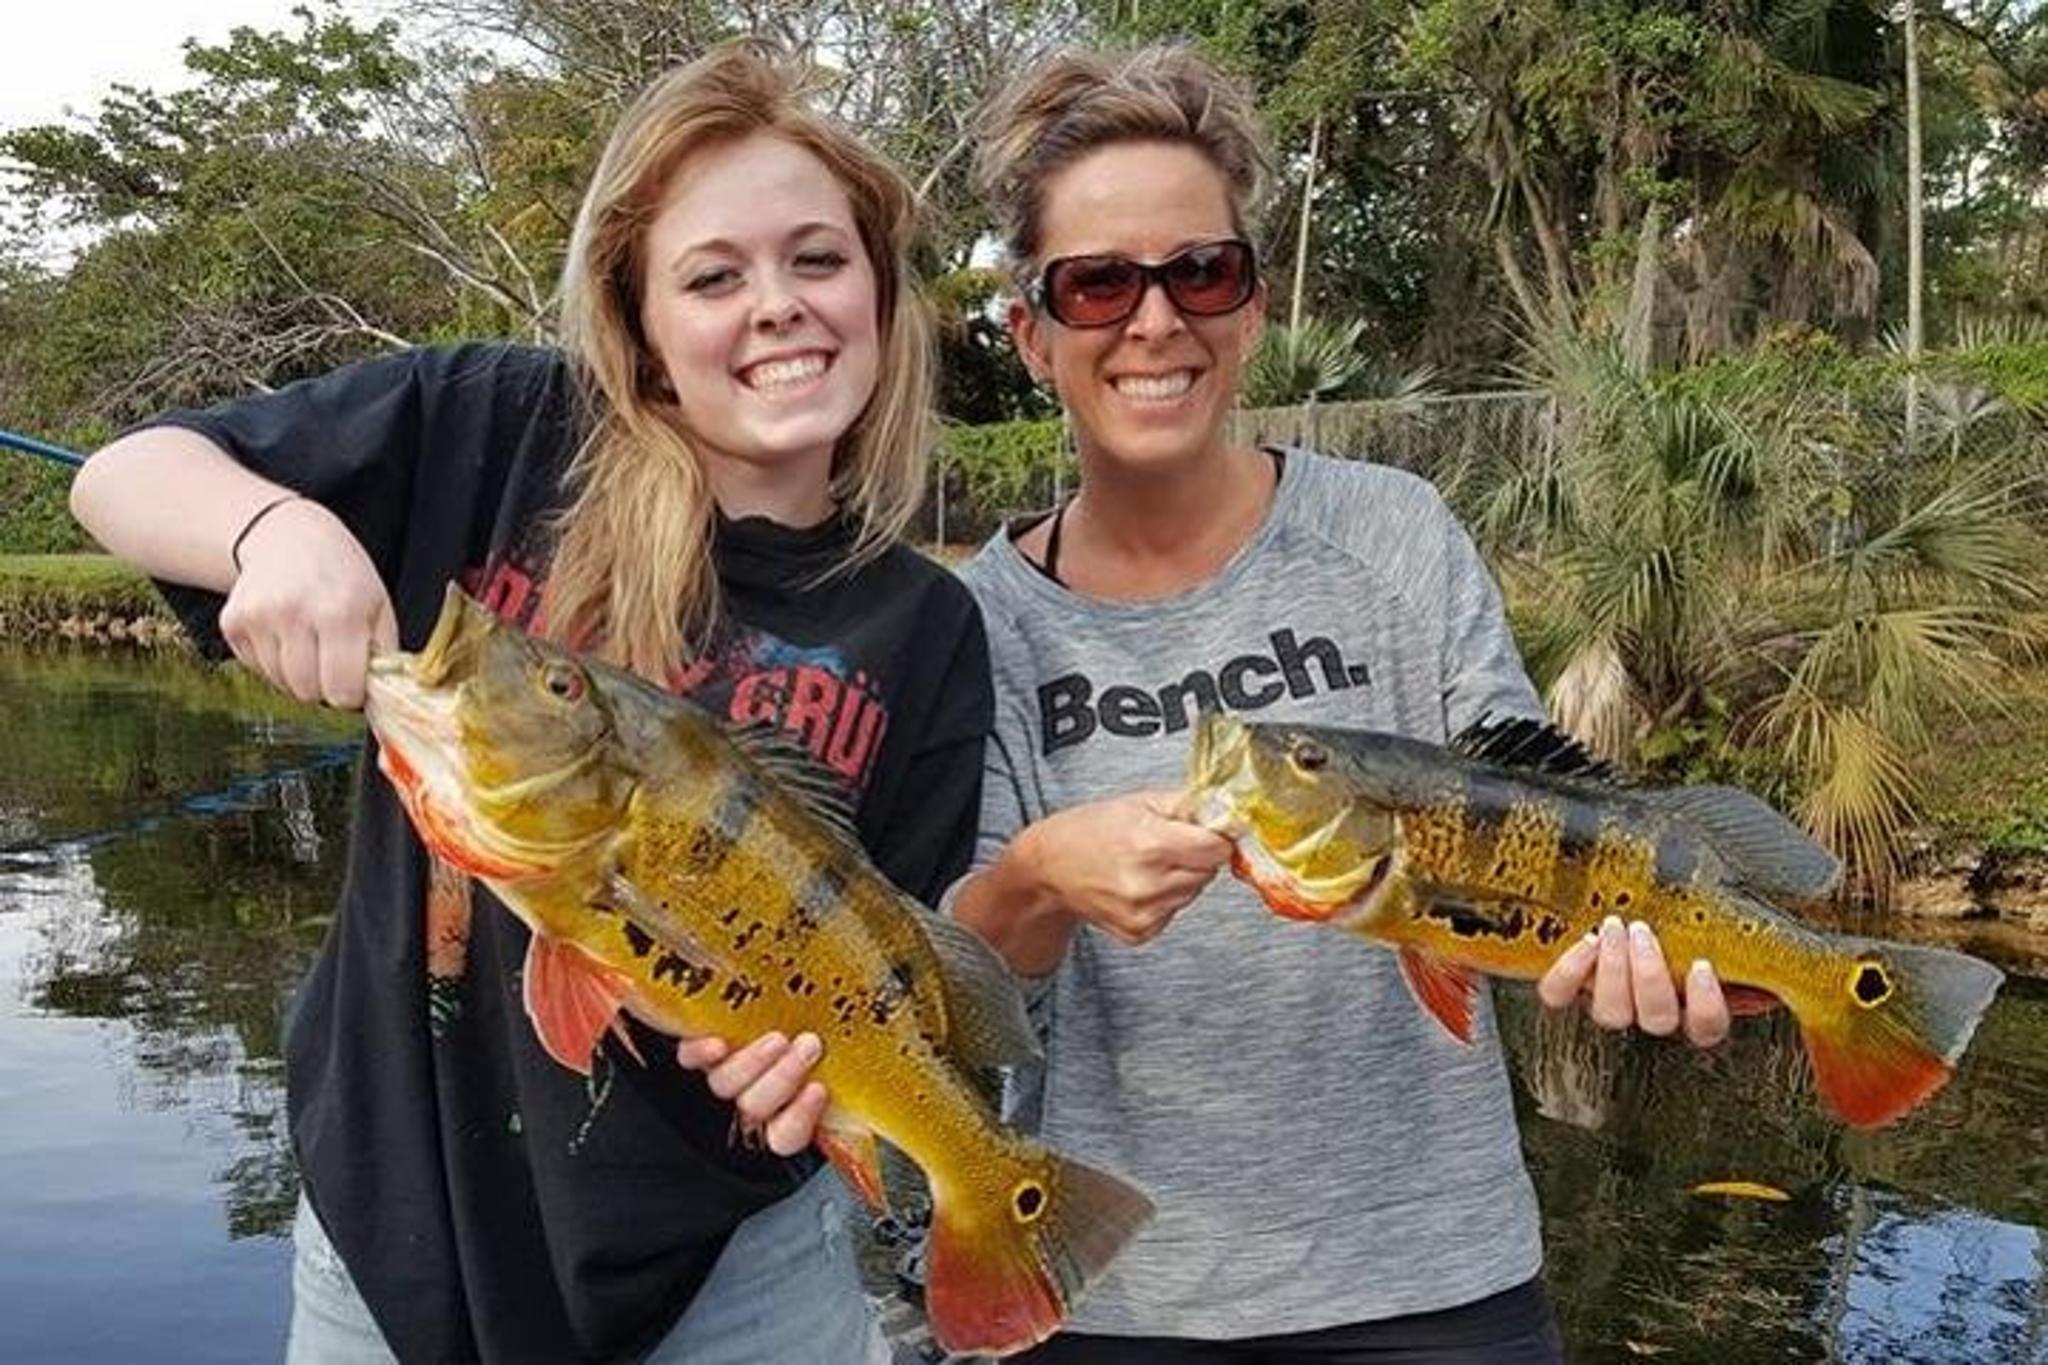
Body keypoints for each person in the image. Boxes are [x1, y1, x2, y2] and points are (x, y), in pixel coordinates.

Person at [69, 42, 990, 1365]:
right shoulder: (494, 427)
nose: (776, 304)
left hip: (735, 1276)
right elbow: (126, 475)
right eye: (714, 275)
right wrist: (269, 529)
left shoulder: (926, 625)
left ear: (884, 292)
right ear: (644, 324)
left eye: (818, 259)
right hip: (397, 1235)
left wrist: (802, 1087)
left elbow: (892, 968)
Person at [937, 45, 1732, 1363]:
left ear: (1250, 308)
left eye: (1202, 271)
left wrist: (1622, 952)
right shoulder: (983, 624)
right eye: (1097, 283)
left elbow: (1527, 813)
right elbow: (961, 987)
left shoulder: (1393, 533)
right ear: (1031, 334)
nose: (1155, 321)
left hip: (1437, 1283)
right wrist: (1034, 878)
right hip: (1115, 1301)